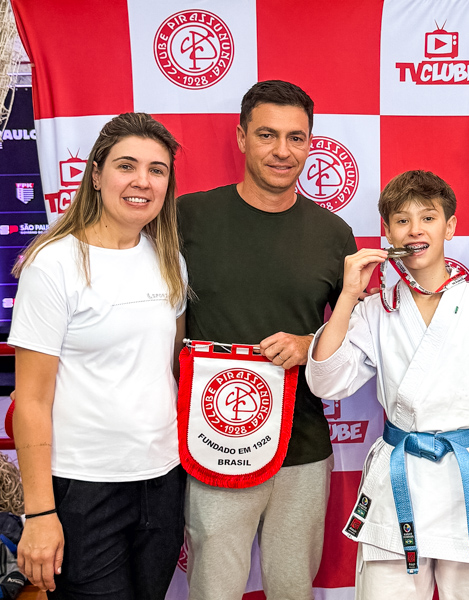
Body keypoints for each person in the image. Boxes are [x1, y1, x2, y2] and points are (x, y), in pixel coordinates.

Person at [306, 170, 469, 600]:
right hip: (399, 478)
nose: (415, 230)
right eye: (402, 220)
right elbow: (326, 381)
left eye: (428, 218)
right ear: (387, 232)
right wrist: (349, 295)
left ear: (450, 227)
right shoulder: (375, 308)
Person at [178, 80, 356, 600]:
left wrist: (310, 342)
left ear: (310, 143)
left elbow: (359, 336)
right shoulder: (188, 217)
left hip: (302, 445)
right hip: (213, 446)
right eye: (267, 135)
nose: (283, 151)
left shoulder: (333, 234)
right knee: (213, 591)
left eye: (296, 138)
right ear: (241, 137)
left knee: (292, 590)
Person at [9, 113, 187, 598]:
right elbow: (31, 402)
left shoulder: (168, 259)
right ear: (95, 175)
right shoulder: (53, 264)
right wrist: (40, 513)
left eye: (156, 170)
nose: (142, 181)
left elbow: (167, 368)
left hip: (162, 482)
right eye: (126, 165)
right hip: (83, 488)